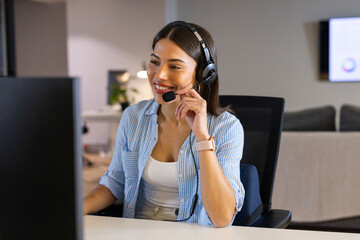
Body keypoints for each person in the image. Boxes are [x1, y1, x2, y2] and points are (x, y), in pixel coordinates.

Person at [84, 21, 245, 227]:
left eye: (175, 66)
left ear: (204, 74)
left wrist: (202, 137)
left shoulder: (227, 128)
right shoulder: (134, 117)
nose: (159, 75)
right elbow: (115, 183)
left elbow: (222, 217)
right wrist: (75, 209)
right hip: (137, 231)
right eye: (155, 61)